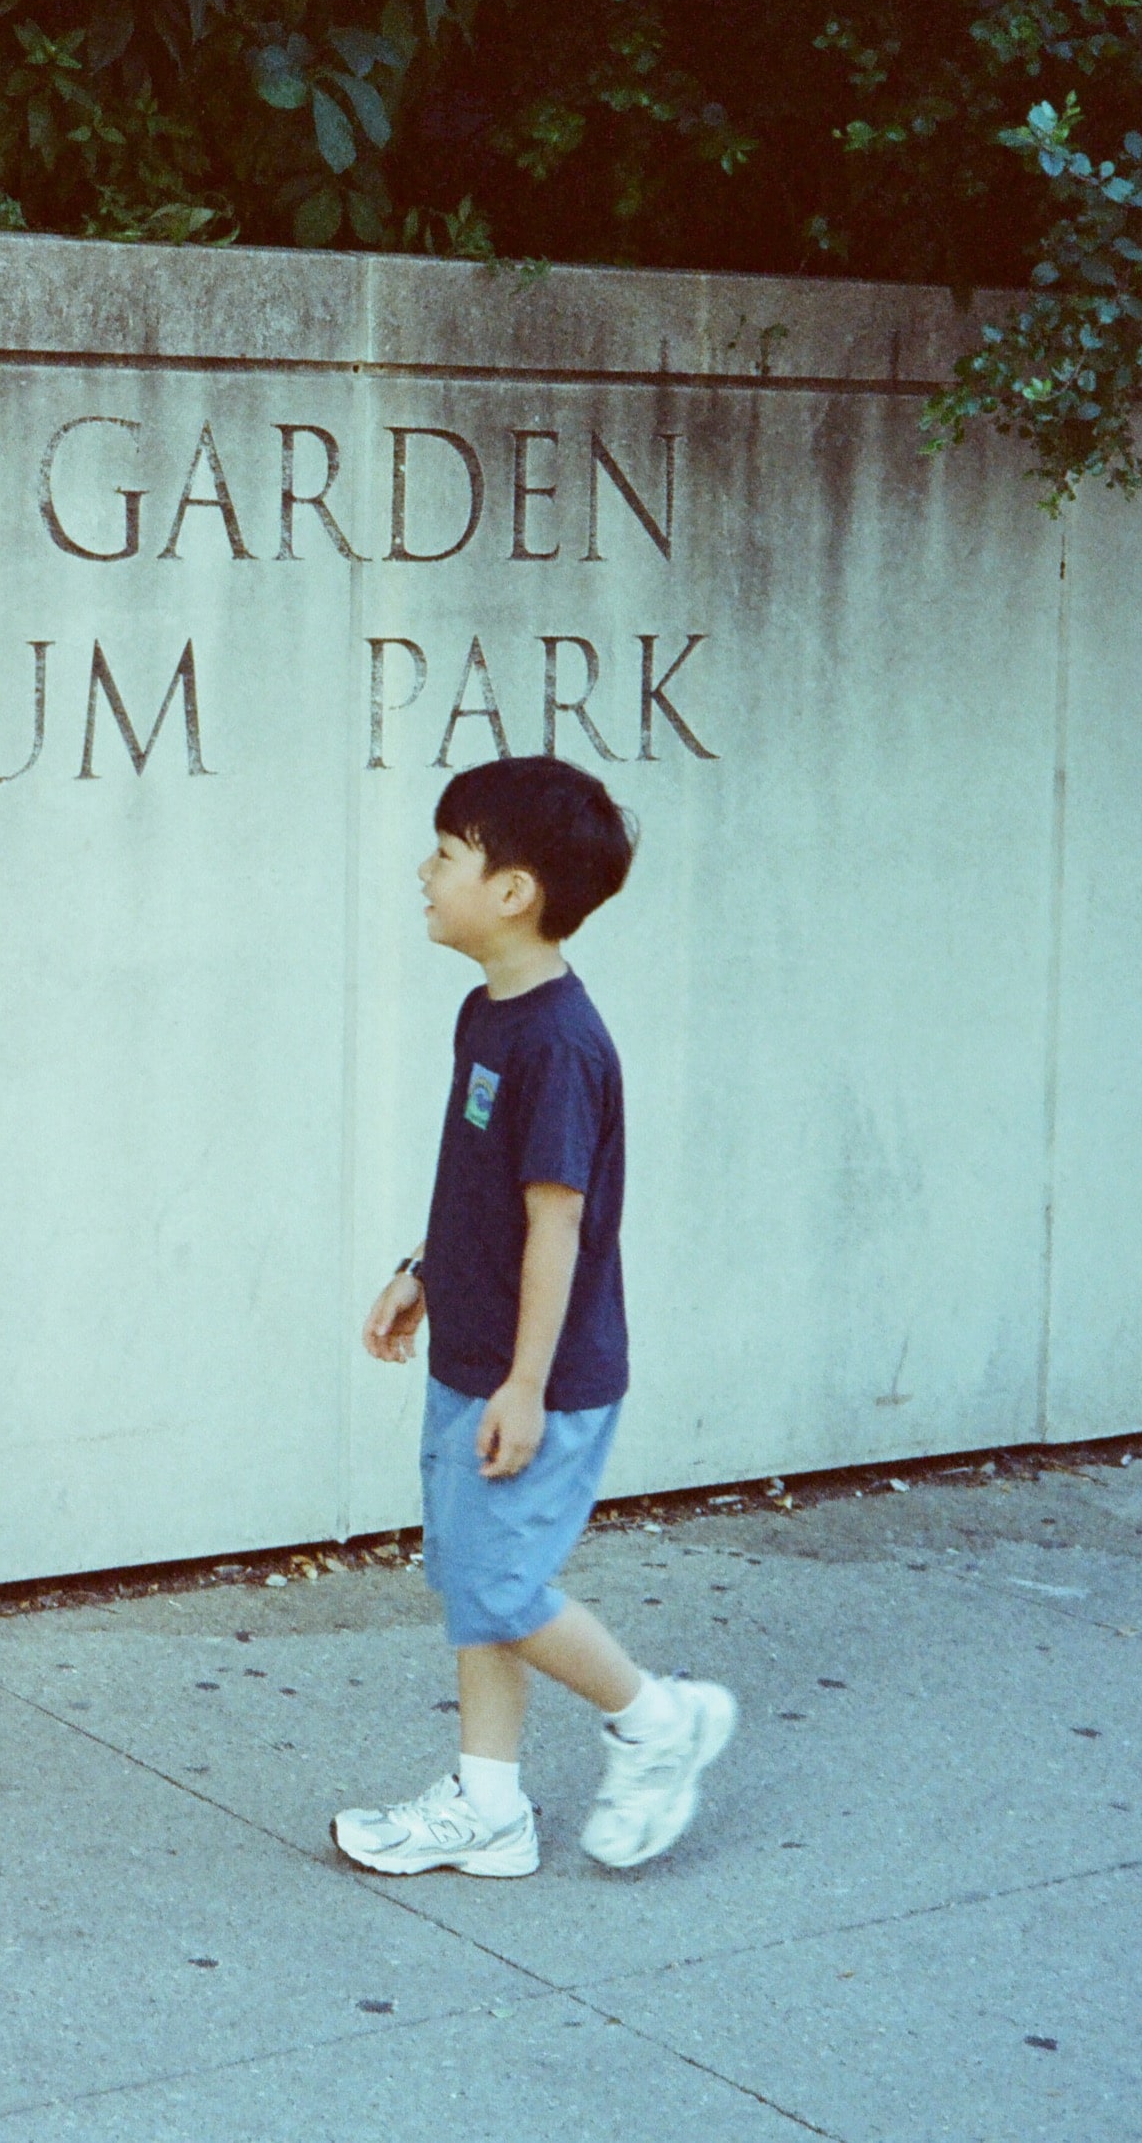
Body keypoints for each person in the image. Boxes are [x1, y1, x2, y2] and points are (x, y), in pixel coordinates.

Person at [333, 757, 734, 1879]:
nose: (424, 871)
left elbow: (557, 1224)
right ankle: (490, 1807)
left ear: (512, 891)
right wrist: (423, 1269)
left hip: (534, 1375)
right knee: (475, 1581)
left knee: (501, 1587)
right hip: (476, 1351)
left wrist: (524, 1383)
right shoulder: (491, 1014)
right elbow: (482, 1186)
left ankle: (658, 1719)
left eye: (446, 854)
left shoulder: (559, 1043)